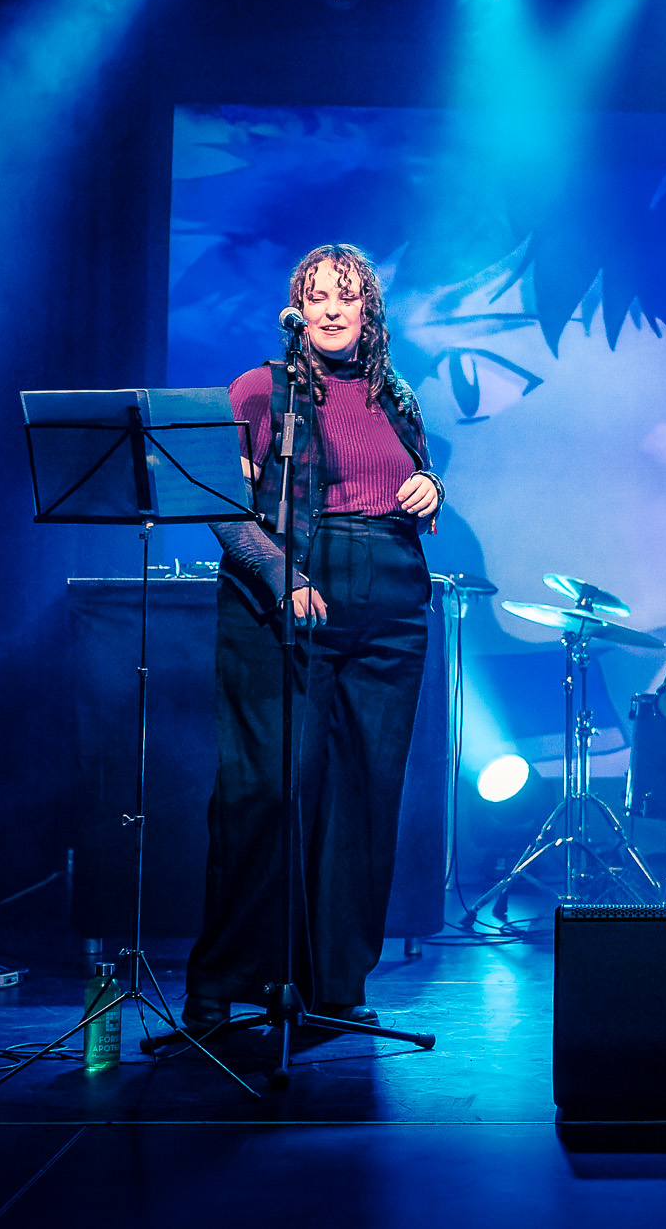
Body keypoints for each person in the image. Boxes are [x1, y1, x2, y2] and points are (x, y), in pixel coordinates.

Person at [185, 243, 444, 1033]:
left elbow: (411, 479)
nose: (332, 309)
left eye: (348, 296)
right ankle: (228, 976)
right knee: (269, 788)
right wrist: (280, 573)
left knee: (364, 794)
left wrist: (432, 487)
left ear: (370, 311)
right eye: (317, 295)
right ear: (296, 308)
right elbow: (222, 502)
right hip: (291, 590)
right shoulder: (261, 390)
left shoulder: (396, 395)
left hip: (392, 597)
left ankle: (335, 982)